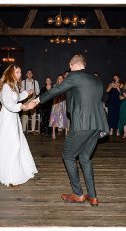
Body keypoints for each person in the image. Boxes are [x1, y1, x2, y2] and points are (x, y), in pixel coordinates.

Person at [21, 54, 108, 206]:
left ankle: (78, 194)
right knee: (85, 159)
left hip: (82, 125)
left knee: (68, 156)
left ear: (71, 65)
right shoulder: (96, 80)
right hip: (98, 124)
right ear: (84, 64)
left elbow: (57, 90)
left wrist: (36, 100)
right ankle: (93, 196)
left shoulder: (74, 76)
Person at [0, 65, 38, 187]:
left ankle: (14, 171)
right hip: (8, 118)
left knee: (17, 143)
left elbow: (17, 98)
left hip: (13, 118)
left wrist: (26, 94)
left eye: (20, 72)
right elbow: (9, 104)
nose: (20, 74)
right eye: (17, 72)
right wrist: (25, 106)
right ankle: (11, 176)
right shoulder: (6, 86)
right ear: (10, 73)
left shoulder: (12, 86)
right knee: (13, 144)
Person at [19, 69, 40, 134]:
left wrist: (34, 92)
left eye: (30, 73)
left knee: (33, 114)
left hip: (33, 99)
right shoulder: (23, 82)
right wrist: (27, 93)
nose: (29, 74)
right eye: (28, 73)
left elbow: (38, 91)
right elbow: (21, 90)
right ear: (26, 74)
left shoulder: (35, 82)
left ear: (32, 74)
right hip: (25, 99)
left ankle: (33, 130)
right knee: (24, 115)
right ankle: (24, 130)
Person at [49, 75, 69, 140]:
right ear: (57, 80)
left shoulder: (65, 86)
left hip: (63, 103)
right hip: (56, 103)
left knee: (64, 116)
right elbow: (52, 94)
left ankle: (66, 132)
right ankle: (53, 133)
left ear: (63, 79)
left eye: (61, 79)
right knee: (54, 117)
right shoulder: (55, 86)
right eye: (59, 79)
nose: (60, 80)